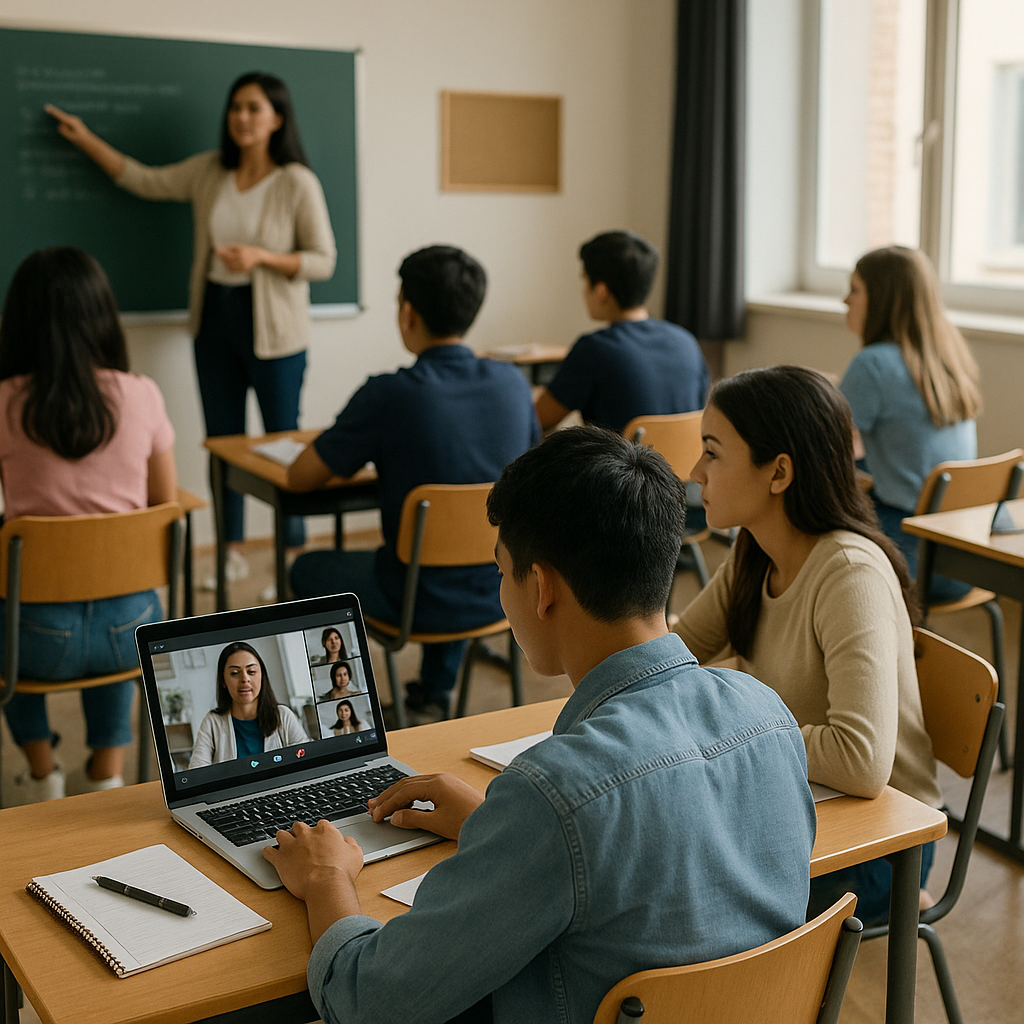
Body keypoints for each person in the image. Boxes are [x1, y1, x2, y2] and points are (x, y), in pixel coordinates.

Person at [265, 426, 816, 1024]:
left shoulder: (554, 794)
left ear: (542, 587)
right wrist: (494, 827)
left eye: (503, 572)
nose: (502, 596)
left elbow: (369, 1002)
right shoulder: (770, 718)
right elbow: (657, 879)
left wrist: (324, 879)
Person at [673, 365, 941, 924]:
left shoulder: (849, 574)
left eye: (713, 452)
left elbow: (861, 761)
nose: (695, 470)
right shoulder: (755, 551)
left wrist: (734, 724)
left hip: (882, 843)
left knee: (681, 898)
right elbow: (677, 655)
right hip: (796, 804)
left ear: (779, 473)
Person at [46, 71, 337, 570]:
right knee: (222, 444)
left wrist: (262, 258)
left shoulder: (296, 182)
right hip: (216, 318)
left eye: (253, 108)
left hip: (275, 331)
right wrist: (86, 139)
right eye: (235, 107)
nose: (241, 117)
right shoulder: (209, 172)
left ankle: (292, 556)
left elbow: (323, 260)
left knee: (281, 444)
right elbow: (143, 179)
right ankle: (232, 552)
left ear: (277, 119)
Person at [287, 246, 540, 721]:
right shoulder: (513, 385)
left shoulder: (389, 394)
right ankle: (432, 692)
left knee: (306, 570)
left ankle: (346, 711)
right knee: (460, 551)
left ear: (408, 311)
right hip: (499, 588)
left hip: (412, 599)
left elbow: (300, 477)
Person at [0, 247, 177, 804]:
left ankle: (41, 772)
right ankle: (107, 769)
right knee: (116, 591)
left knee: (4, 610)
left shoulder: (4, 403)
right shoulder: (142, 394)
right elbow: (163, 507)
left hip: (29, 641)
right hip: (134, 631)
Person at [840, 246, 982, 601]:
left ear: (882, 298)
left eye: (854, 290)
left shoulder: (872, 365)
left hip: (911, 558)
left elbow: (822, 445)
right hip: (962, 559)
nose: (845, 300)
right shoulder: (949, 357)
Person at [534, 230, 710, 434]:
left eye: (584, 281)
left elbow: (537, 419)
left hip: (623, 465)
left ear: (602, 291)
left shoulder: (594, 349)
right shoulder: (686, 342)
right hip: (680, 465)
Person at [189, 641, 308, 768]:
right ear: (223, 680)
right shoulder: (212, 722)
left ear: (262, 676)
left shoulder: (283, 716)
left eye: (251, 671)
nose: (245, 679)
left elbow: (306, 760)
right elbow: (197, 770)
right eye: (234, 673)